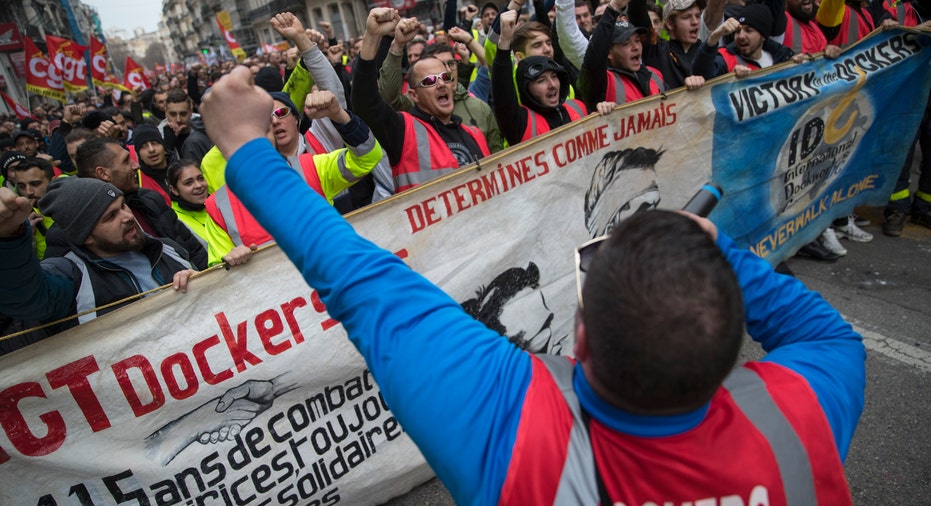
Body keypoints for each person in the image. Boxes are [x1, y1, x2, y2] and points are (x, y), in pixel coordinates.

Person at [202, 65, 865, 505]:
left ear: (577, 336)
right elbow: (827, 335)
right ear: (734, 351)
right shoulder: (797, 412)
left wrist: (243, 147)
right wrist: (725, 255)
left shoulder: (517, 435)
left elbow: (361, 280)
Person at [0, 177, 196, 336]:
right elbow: (25, 296)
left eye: (123, 206)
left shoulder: (168, 249)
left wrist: (204, 283)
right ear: (85, 237)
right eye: (110, 216)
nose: (127, 216)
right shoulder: (71, 278)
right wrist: (9, 237)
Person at [353, 8, 491, 194]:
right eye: (429, 81)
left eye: (445, 77)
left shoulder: (475, 134)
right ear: (414, 95)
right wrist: (372, 37)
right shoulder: (404, 131)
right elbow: (366, 103)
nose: (441, 83)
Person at [68, 136, 209, 270]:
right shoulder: (76, 226)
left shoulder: (151, 200)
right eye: (126, 161)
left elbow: (194, 250)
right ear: (103, 173)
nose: (136, 166)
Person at [380, 20, 504, 155]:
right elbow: (390, 98)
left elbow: (499, 160)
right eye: (435, 72)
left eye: (450, 64)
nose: (445, 73)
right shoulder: (414, 105)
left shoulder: (479, 108)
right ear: (414, 95)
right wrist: (397, 45)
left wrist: (469, 40)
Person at [494, 9, 589, 145]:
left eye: (549, 43)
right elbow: (501, 89)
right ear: (519, 57)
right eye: (540, 80)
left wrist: (603, 108)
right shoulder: (512, 83)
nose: (547, 49)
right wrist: (504, 41)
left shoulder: (577, 106)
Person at [579, 4, 668, 111]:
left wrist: (691, 87)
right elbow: (593, 59)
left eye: (637, 40)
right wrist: (613, 7)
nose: (635, 47)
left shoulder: (655, 75)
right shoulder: (604, 82)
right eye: (626, 43)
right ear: (609, 52)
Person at [166, 159, 254, 267]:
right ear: (174, 189)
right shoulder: (174, 221)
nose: (198, 185)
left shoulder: (220, 202)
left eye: (200, 178)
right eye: (189, 183)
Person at [692, 4, 799, 79]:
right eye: (737, 31)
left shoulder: (782, 57)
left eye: (748, 31)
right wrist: (714, 38)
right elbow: (701, 74)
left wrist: (800, 67)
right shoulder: (725, 59)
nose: (741, 36)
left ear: (763, 36)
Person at [133, 124, 174, 205]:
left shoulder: (180, 169)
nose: (151, 150)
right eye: (143, 147)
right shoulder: (137, 181)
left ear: (163, 147)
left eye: (154, 143)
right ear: (139, 155)